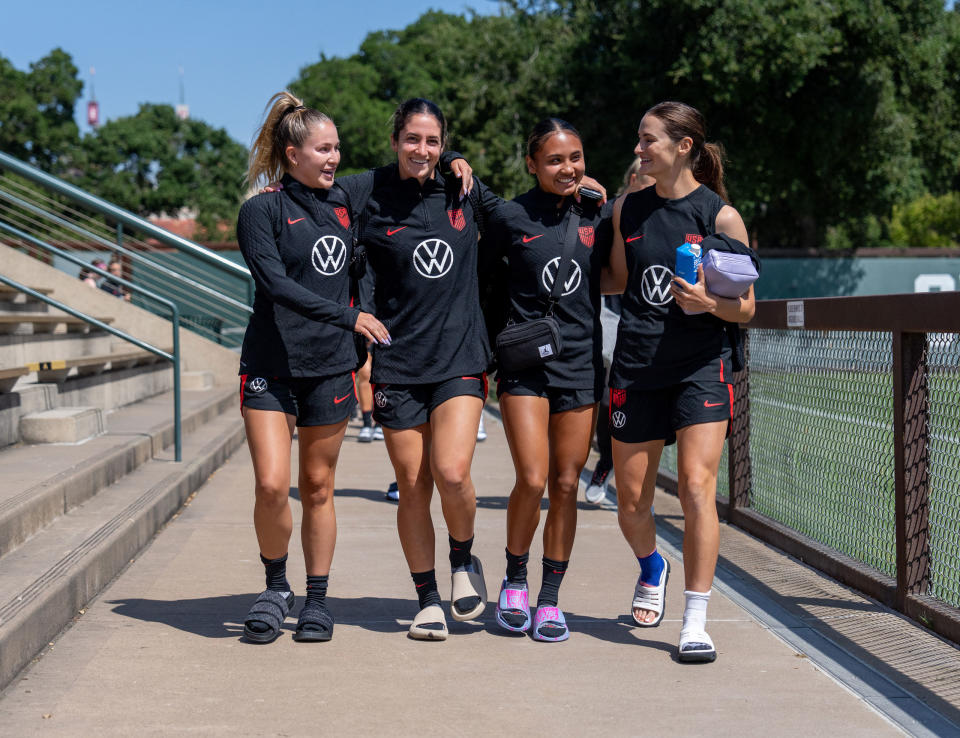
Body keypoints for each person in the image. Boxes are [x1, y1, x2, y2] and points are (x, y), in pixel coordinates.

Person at [335, 98, 497, 641]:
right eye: (412, 139)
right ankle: (426, 598)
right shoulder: (367, 191)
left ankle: (463, 560)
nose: (421, 150)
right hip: (398, 361)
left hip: (460, 356)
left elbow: (524, 216)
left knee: (451, 472)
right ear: (395, 140)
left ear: (443, 144)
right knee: (412, 484)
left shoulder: (463, 189)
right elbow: (315, 197)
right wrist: (271, 197)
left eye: (433, 141)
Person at [235, 91, 390, 644]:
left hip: (330, 368)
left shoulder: (347, 198)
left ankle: (317, 600)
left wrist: (455, 163)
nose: (333, 159)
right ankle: (277, 586)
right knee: (273, 484)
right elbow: (276, 286)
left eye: (337, 149)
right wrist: (351, 316)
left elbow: (409, 164)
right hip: (272, 366)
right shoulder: (262, 209)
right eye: (323, 149)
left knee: (319, 487)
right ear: (292, 152)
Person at [606, 101, 755, 662]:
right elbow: (616, 279)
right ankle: (652, 566)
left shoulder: (721, 218)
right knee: (630, 504)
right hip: (638, 368)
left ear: (683, 146)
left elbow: (745, 309)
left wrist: (708, 302)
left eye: (649, 140)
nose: (639, 149)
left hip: (701, 367)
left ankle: (696, 620)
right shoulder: (627, 210)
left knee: (696, 489)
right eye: (639, 140)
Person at [487, 118, 613, 641]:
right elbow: (483, 285)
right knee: (533, 478)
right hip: (524, 365)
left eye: (576, 157)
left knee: (567, 483)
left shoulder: (598, 215)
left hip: (579, 363)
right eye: (556, 159)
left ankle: (550, 599)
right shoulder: (509, 215)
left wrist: (606, 205)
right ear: (532, 164)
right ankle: (514, 581)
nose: (569, 168)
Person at [585, 157, 655, 504]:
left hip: (645, 320)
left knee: (624, 397)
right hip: (606, 313)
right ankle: (606, 460)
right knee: (603, 393)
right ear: (633, 177)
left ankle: (618, 466)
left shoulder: (664, 215)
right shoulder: (609, 212)